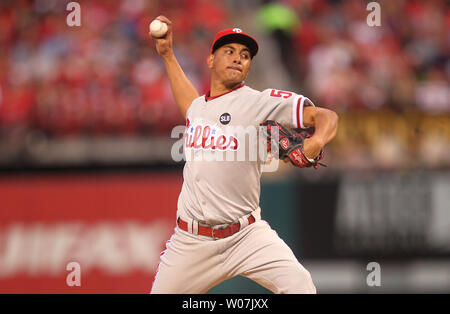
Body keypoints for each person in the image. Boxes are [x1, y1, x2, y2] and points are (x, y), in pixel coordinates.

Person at [149, 16, 338, 294]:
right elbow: (190, 105)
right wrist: (167, 56)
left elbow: (326, 116)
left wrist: (317, 139)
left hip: (246, 236)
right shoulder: (199, 108)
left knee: (301, 286)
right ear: (211, 60)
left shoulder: (260, 102)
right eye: (229, 51)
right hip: (191, 242)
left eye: (245, 55)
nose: (238, 58)